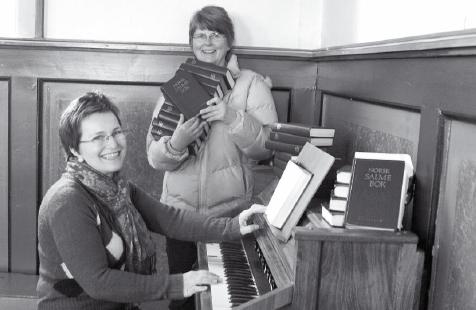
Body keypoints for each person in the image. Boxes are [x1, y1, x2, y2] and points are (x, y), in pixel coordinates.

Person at [36, 91, 265, 310]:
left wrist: (233, 226)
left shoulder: (118, 188)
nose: (113, 144)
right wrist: (179, 284)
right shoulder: (68, 201)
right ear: (74, 149)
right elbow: (98, 282)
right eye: (98, 138)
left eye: (116, 132)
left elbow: (170, 219)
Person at [146, 6, 277, 309]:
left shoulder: (251, 84)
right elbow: (154, 157)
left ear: (229, 41)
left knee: (221, 299)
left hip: (228, 217)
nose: (207, 42)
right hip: (179, 217)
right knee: (182, 301)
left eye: (215, 34)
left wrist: (232, 117)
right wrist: (176, 143)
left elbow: (268, 147)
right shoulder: (178, 84)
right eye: (199, 35)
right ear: (191, 42)